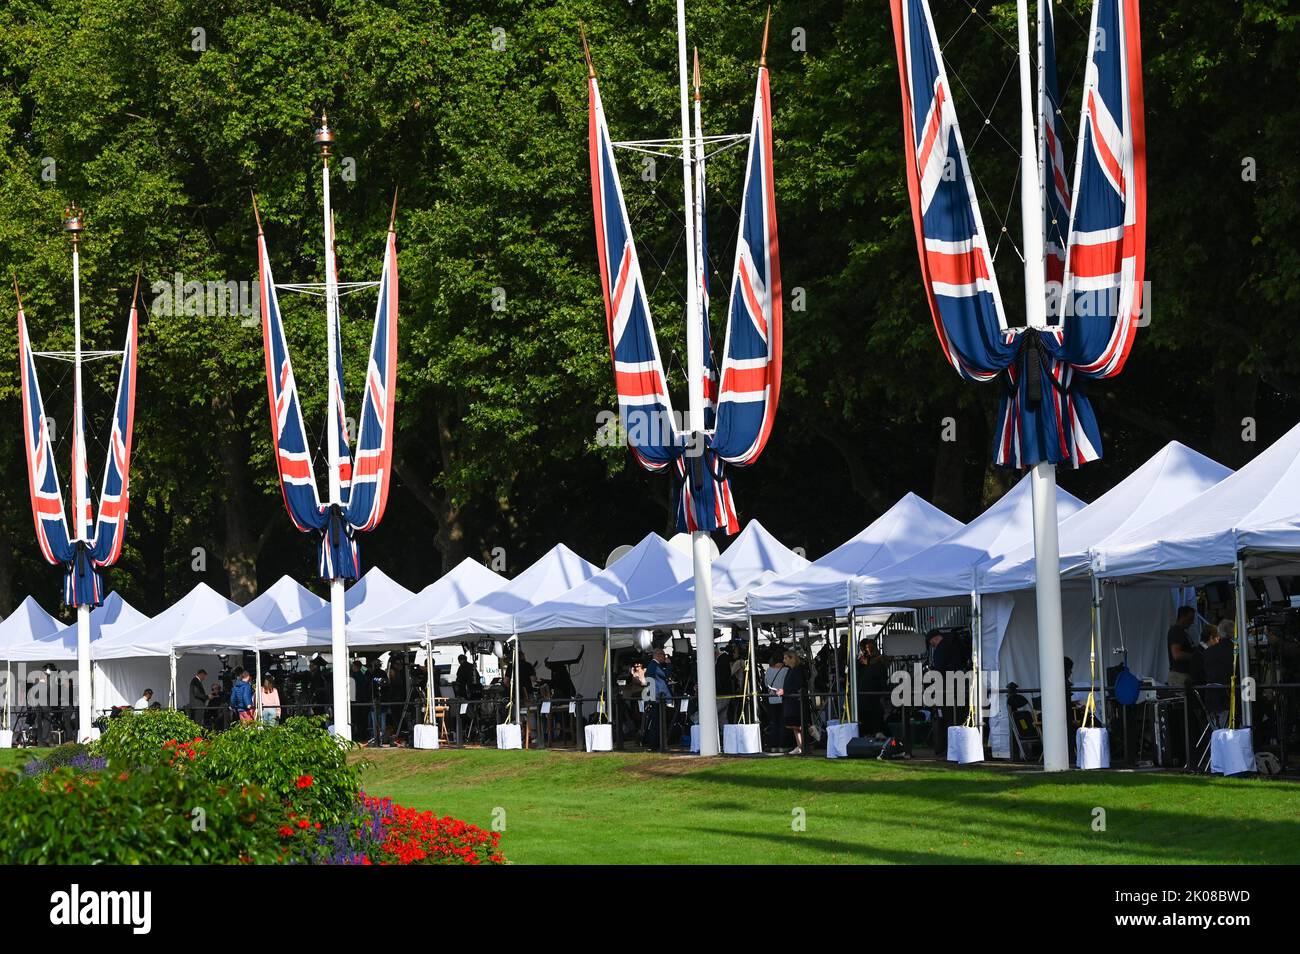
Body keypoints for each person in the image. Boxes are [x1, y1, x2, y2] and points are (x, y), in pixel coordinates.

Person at [774, 650, 806, 755]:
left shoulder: (797, 670)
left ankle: (803, 745)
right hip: (790, 701)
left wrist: (785, 691)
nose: (784, 661)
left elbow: (798, 685)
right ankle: (800, 745)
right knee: (794, 726)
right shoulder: (791, 670)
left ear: (792, 658)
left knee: (798, 725)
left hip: (795, 702)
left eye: (785, 658)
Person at [1166, 606, 1197, 688]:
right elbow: (1176, 654)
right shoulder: (1176, 632)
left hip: (1182, 676)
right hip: (1179, 676)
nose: (1192, 622)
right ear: (1182, 617)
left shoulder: (1182, 632)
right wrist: (1195, 656)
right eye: (1190, 618)